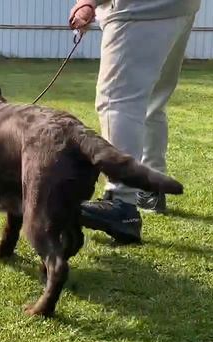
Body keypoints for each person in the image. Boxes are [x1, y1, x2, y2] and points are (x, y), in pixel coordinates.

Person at [69, 0, 201, 244]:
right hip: (179, 7)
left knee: (117, 101)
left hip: (137, 8)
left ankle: (122, 202)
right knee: (152, 103)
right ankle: (150, 189)